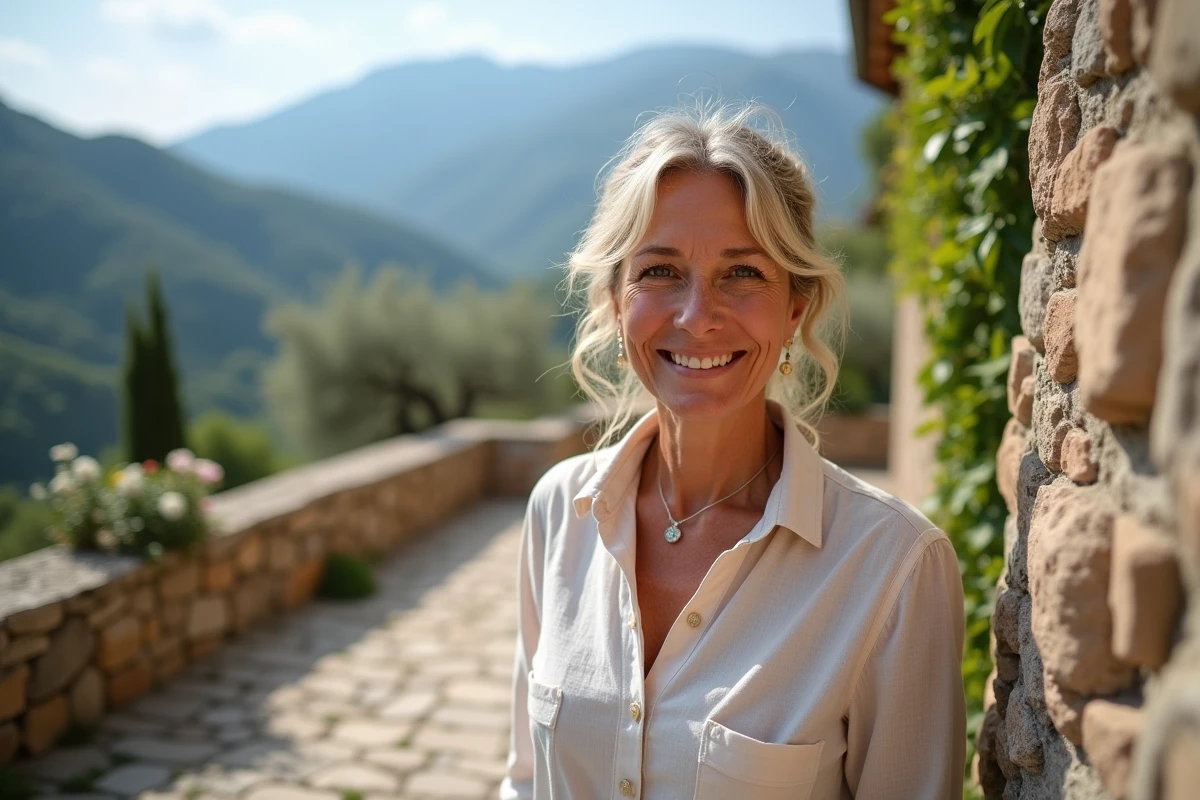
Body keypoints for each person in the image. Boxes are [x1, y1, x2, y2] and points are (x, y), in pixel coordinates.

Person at [500, 101, 966, 800]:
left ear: (795, 309)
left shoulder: (893, 570)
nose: (697, 315)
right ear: (616, 301)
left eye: (742, 273)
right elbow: (526, 781)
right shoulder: (559, 511)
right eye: (659, 272)